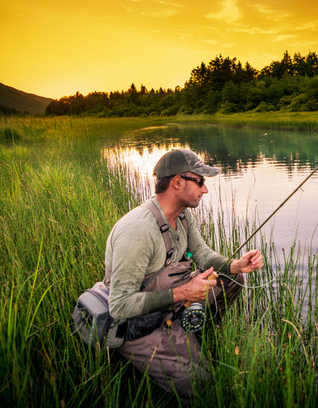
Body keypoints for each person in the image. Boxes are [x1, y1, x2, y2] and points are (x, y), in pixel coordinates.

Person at [103, 148, 264, 396]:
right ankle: (164, 350)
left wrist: (235, 265)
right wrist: (184, 292)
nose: (205, 189)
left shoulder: (183, 216)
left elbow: (203, 255)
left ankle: (193, 331)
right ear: (178, 182)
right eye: (200, 181)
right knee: (203, 387)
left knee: (232, 279)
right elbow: (120, 306)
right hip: (138, 326)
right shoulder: (138, 231)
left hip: (170, 303)